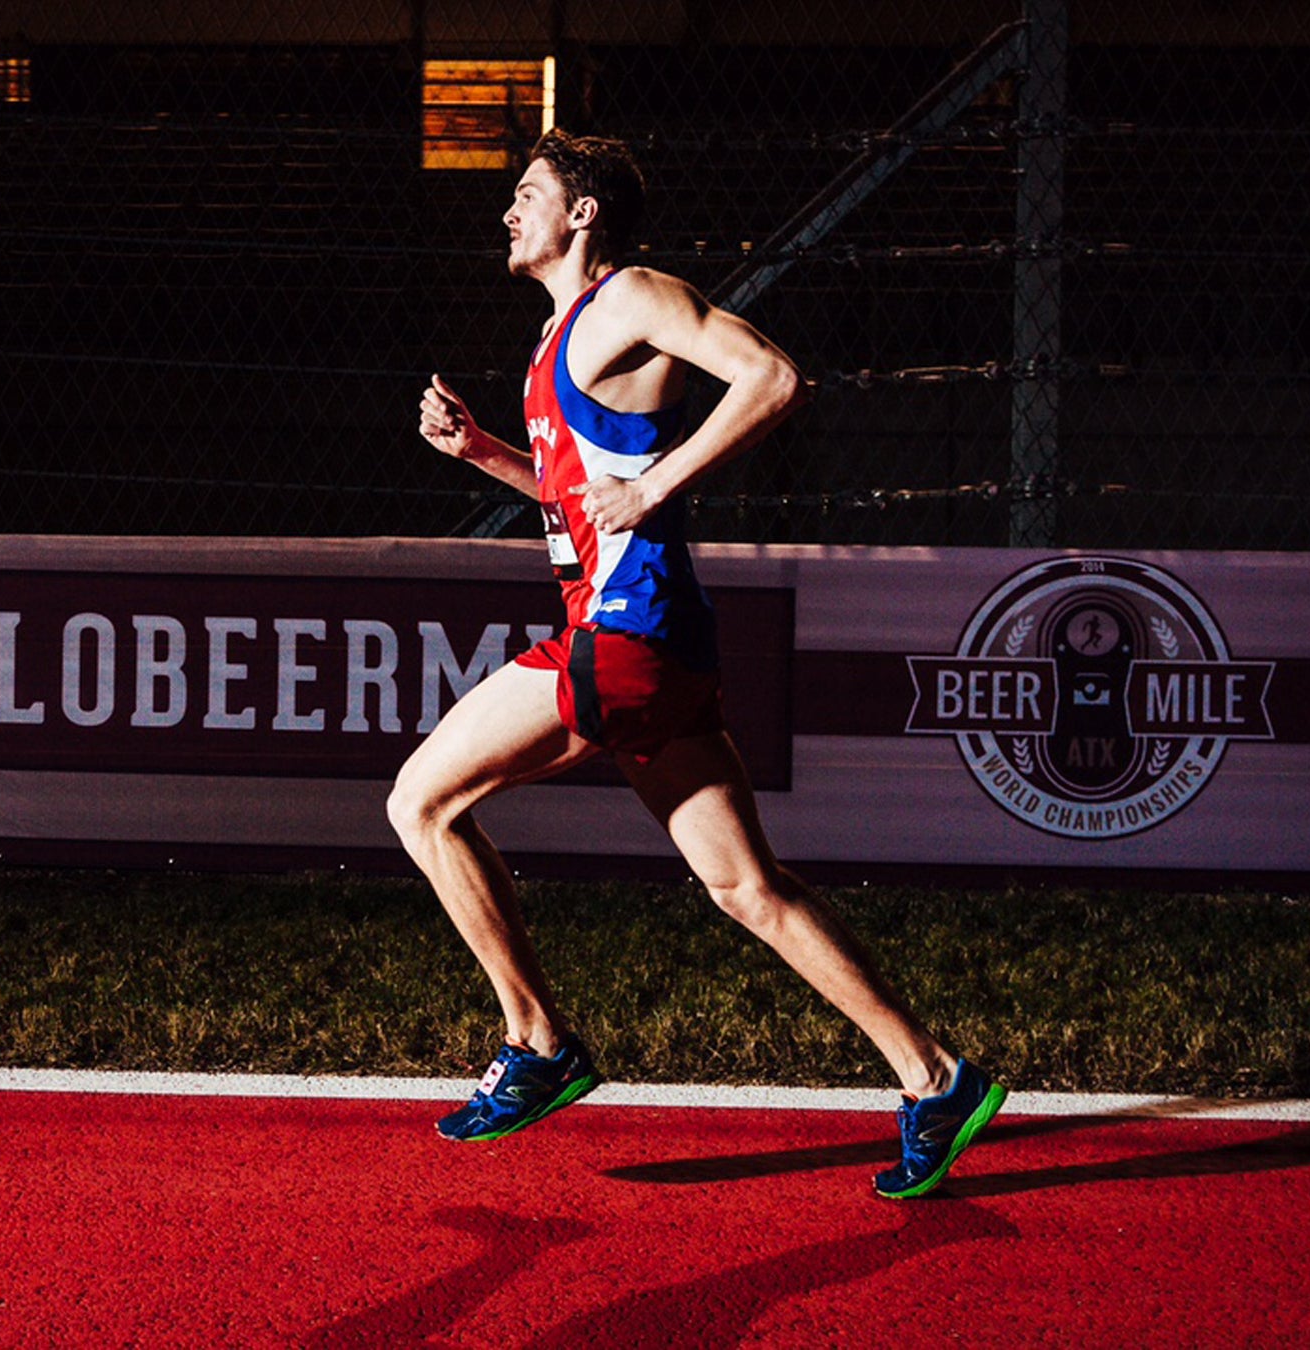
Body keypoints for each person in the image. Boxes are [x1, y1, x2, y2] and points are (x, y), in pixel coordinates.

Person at [391, 129, 1004, 1199]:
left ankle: (537, 1044)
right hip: (654, 641)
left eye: (526, 193)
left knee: (422, 804)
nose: (506, 212)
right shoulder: (556, 341)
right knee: (746, 889)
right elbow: (589, 495)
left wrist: (664, 481)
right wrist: (487, 455)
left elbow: (774, 378)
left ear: (582, 213)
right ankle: (935, 1075)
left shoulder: (628, 298)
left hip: (624, 638)